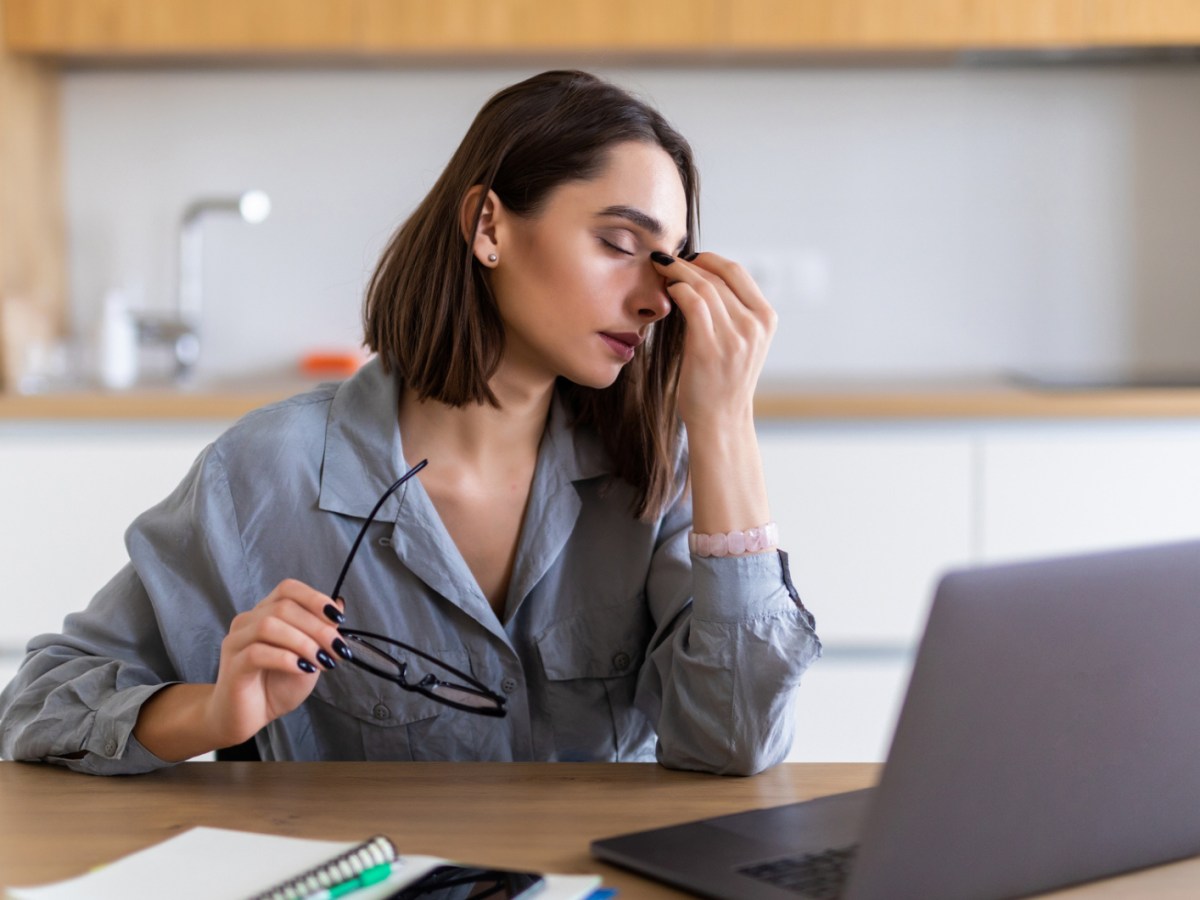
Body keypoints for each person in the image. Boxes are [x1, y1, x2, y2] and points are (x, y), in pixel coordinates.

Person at [0, 70, 820, 776]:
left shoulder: (660, 470)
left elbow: (735, 742)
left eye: (669, 261)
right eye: (618, 242)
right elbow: (37, 707)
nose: (652, 298)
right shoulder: (267, 474)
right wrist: (215, 713)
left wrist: (722, 426)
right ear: (489, 226)